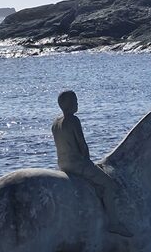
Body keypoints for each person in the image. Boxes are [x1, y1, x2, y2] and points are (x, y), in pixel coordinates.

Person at [52, 90, 132, 237]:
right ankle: (114, 223)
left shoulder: (55, 123)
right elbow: (82, 146)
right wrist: (89, 164)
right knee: (110, 185)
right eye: (75, 101)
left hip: (63, 164)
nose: (77, 103)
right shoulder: (73, 120)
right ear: (69, 104)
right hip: (78, 165)